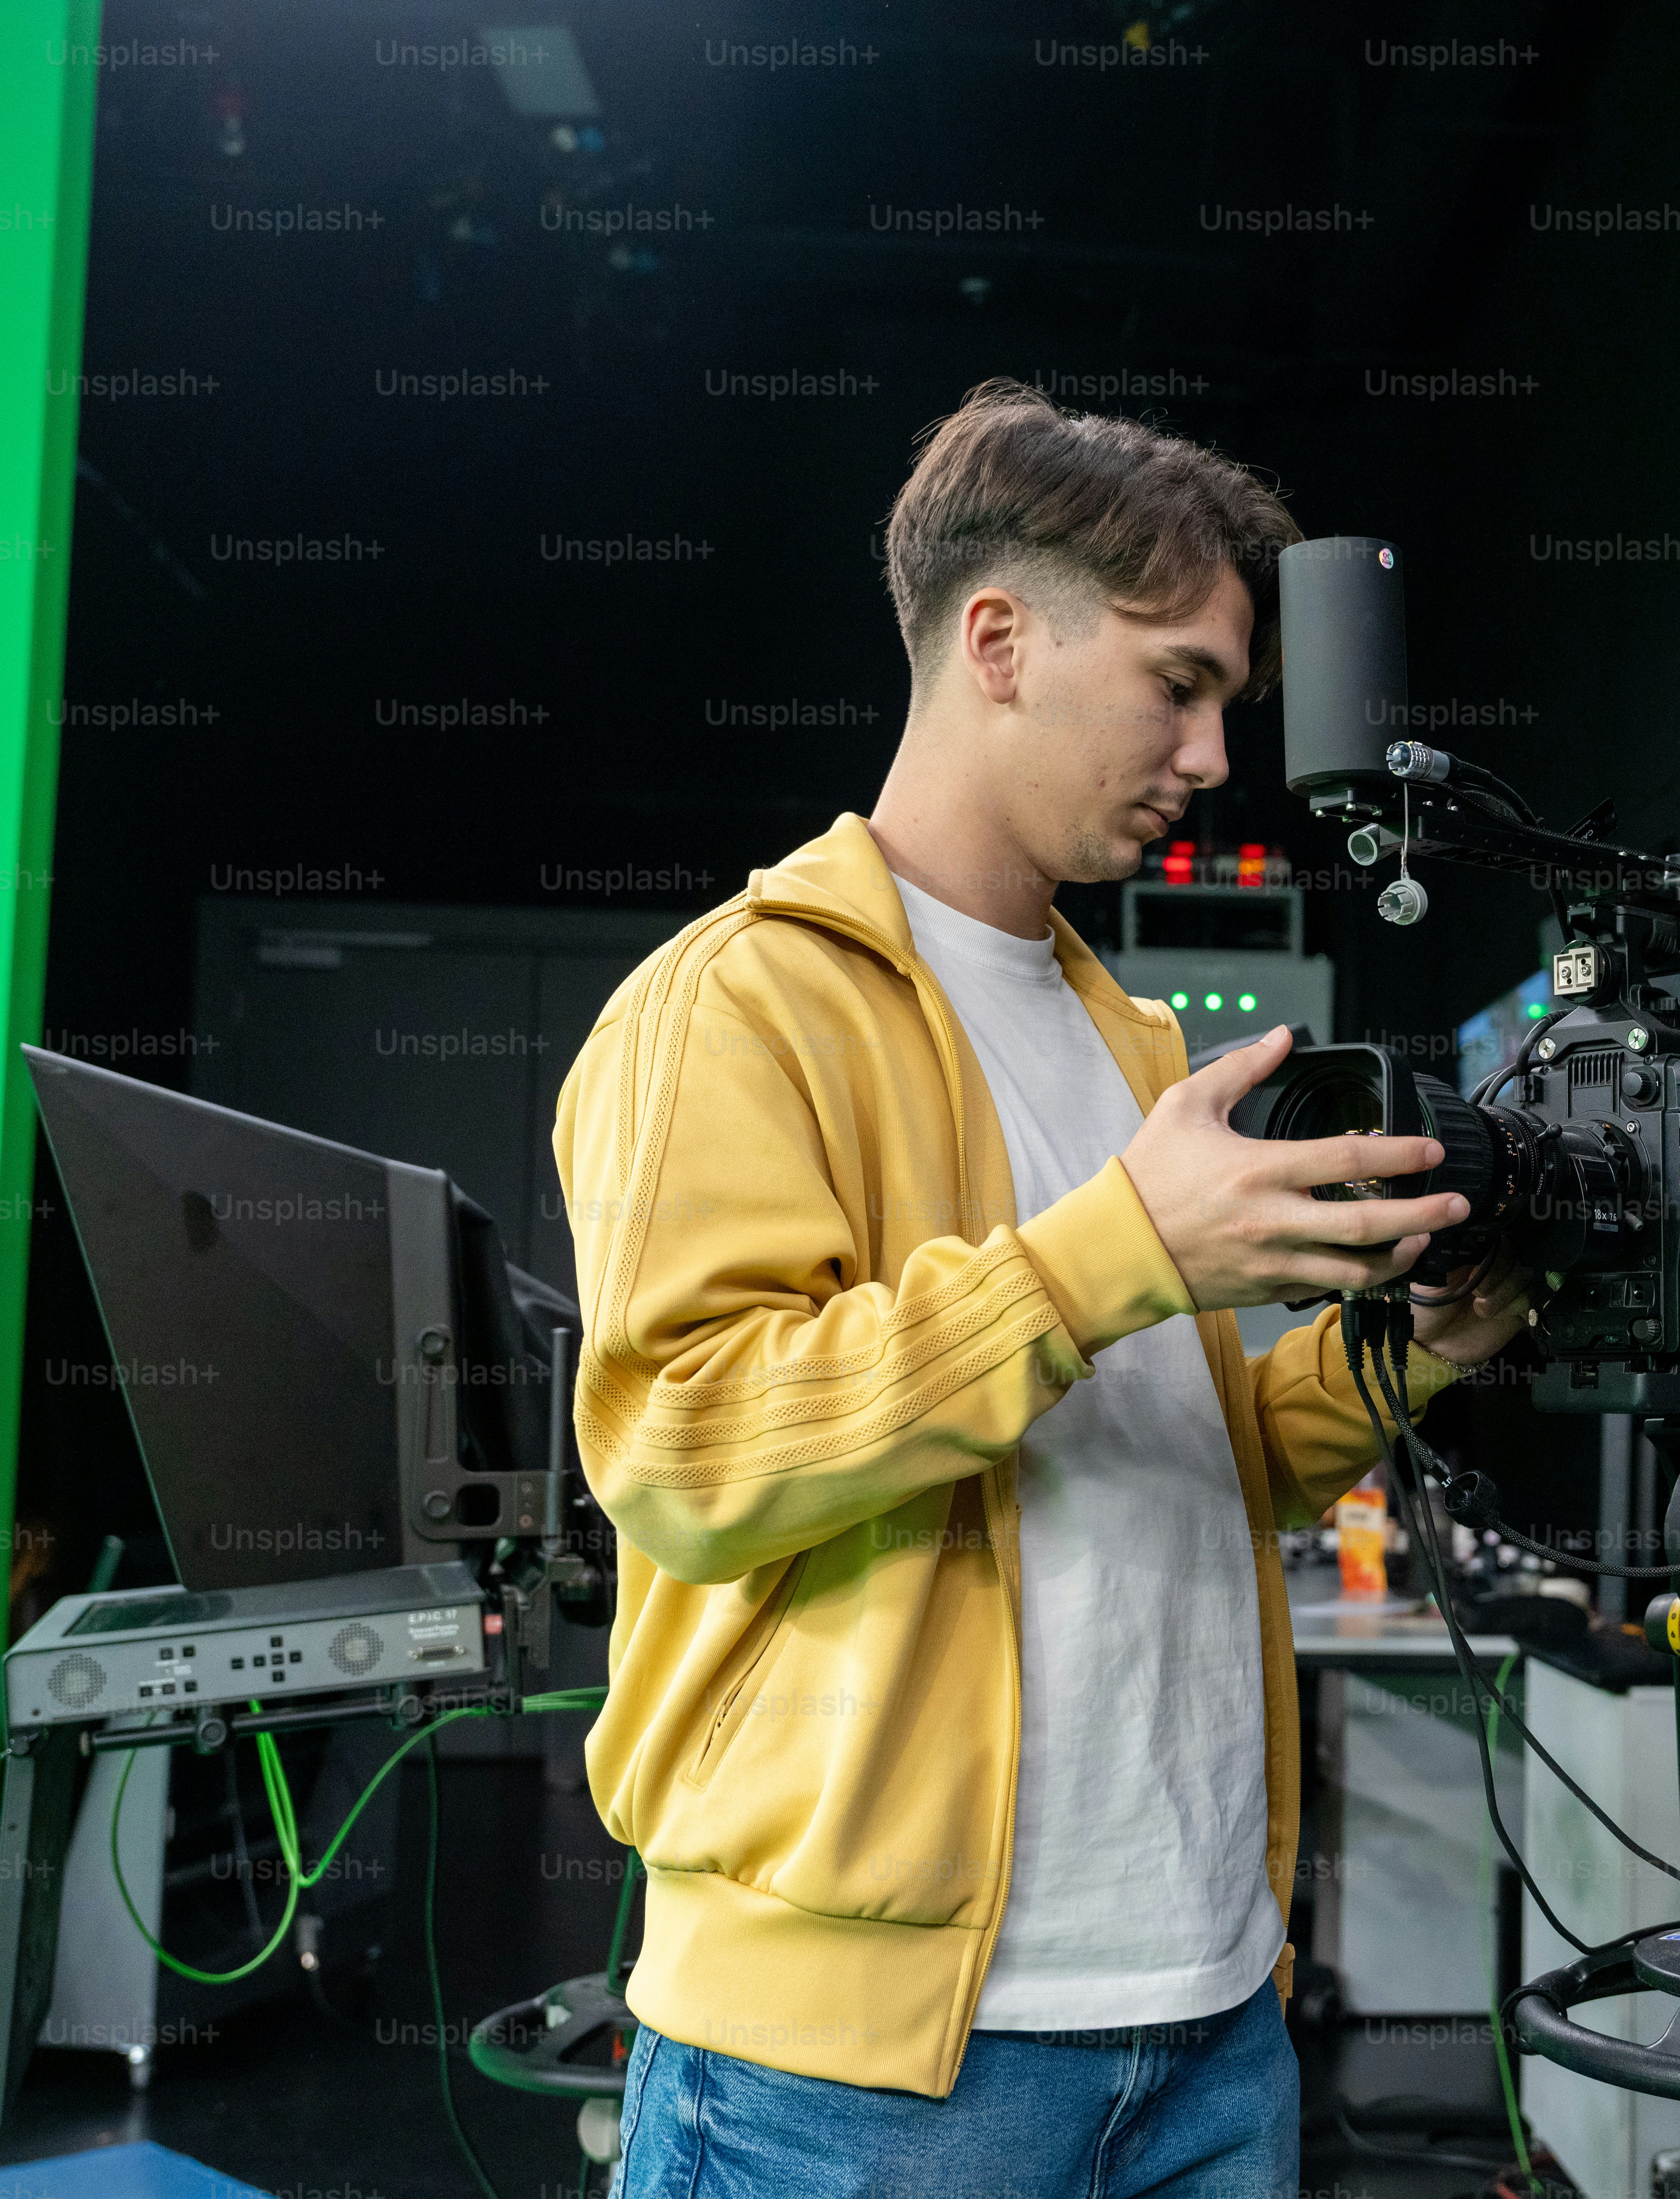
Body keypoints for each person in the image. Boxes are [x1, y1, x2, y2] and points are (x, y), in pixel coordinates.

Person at [555, 378, 1533, 2199]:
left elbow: (1189, 1461)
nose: (1216, 756)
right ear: (998, 639)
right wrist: (1122, 1254)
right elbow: (689, 1456)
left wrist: (1416, 1348)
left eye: (1229, 701)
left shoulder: (1130, 1034)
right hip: (854, 2080)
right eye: (1182, 682)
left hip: (1209, 2012)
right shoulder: (735, 1006)